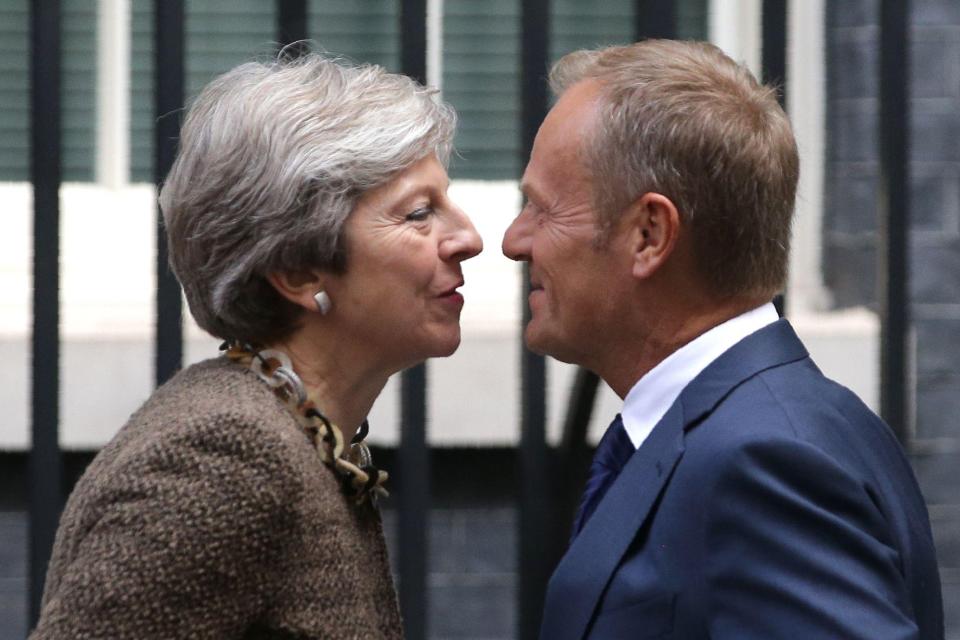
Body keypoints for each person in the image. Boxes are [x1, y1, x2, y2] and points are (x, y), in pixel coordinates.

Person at [502, 40, 943, 639]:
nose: (513, 240)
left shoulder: (763, 460)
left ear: (649, 234)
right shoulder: (755, 428)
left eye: (542, 209)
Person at [31, 53, 482, 639]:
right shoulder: (225, 457)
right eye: (420, 213)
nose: (468, 238)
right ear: (297, 270)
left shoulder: (297, 433)